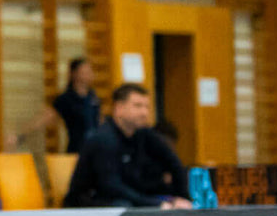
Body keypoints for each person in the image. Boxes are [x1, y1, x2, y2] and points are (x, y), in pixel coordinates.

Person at [63, 83, 192, 209]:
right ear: (119, 108)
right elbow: (111, 186)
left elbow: (174, 163)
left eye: (147, 107)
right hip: (91, 202)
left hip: (127, 196)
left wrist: (182, 197)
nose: (144, 112)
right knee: (125, 206)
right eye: (137, 106)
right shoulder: (103, 139)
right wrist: (154, 204)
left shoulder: (144, 134)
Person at [9, 57, 99, 154]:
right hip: (76, 150)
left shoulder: (92, 96)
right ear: (74, 74)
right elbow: (43, 119)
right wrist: (20, 136)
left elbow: (98, 121)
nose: (89, 74)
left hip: (95, 150)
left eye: (90, 71)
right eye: (84, 72)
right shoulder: (66, 99)